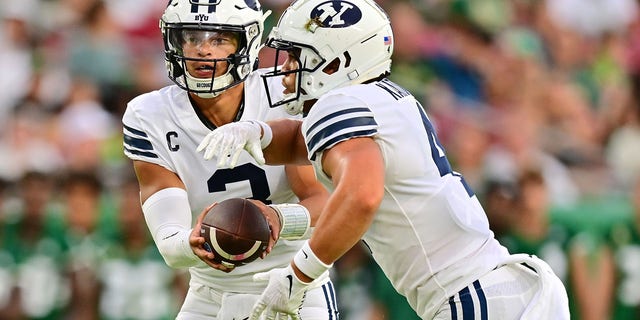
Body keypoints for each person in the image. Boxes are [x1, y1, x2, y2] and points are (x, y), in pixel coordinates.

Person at [197, 0, 571, 318]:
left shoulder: (338, 104)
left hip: (469, 294)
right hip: (495, 287)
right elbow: (302, 139)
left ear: (334, 63)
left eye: (296, 57)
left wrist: (300, 275)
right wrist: (255, 132)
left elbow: (362, 195)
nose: (284, 69)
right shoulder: (378, 97)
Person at [121, 0, 338, 319]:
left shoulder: (283, 91)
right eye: (192, 38)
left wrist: (274, 218)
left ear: (246, 42)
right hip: (210, 295)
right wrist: (191, 243)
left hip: (295, 284)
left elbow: (322, 203)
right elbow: (170, 243)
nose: (202, 50)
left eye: (219, 39)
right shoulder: (149, 115)